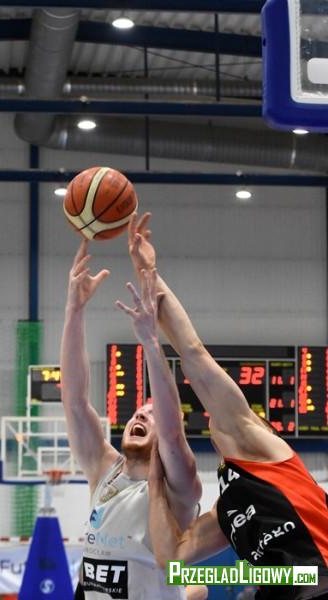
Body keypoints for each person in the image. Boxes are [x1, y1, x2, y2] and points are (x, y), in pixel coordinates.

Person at [125, 213, 328, 600]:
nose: (220, 419)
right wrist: (154, 485)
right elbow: (173, 561)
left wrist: (149, 272)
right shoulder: (228, 508)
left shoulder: (261, 448)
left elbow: (193, 353)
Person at [60, 240, 203, 599]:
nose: (142, 412)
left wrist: (151, 342)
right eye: (140, 410)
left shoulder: (178, 489)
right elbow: (74, 401)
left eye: (153, 414)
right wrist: (74, 309)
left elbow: (171, 435)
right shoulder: (103, 468)